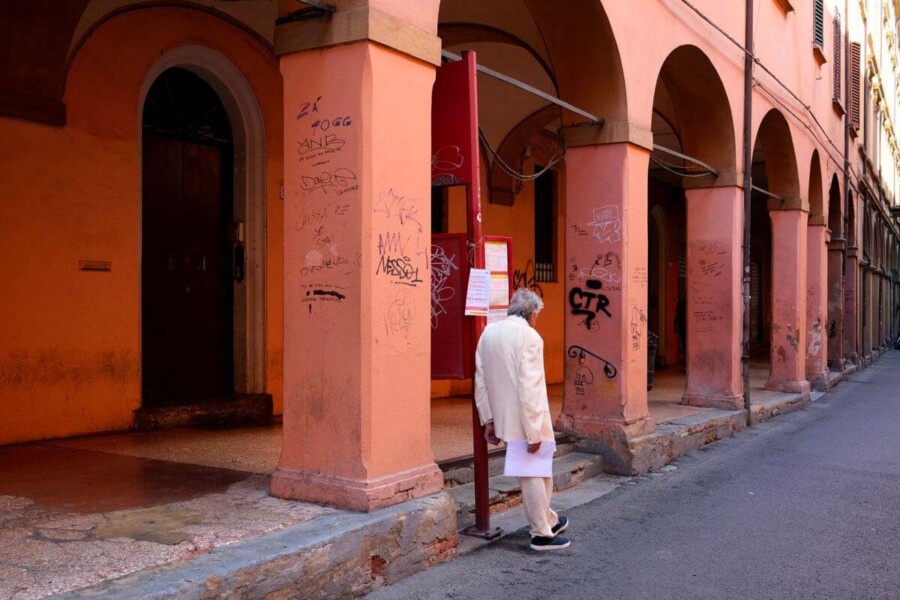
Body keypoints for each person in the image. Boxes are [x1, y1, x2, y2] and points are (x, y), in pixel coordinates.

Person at [474, 288, 570, 551]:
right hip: (528, 420)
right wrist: (533, 432)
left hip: (505, 420)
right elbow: (530, 388)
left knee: (537, 473)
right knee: (535, 475)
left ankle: (548, 519)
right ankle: (541, 533)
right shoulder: (530, 336)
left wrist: (489, 420)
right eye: (537, 314)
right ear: (532, 313)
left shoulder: (488, 333)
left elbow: (480, 382)